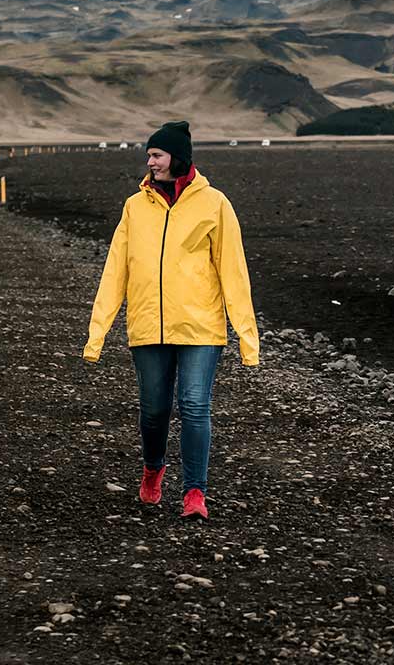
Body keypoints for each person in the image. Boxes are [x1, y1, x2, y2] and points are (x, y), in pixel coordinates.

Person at [83, 121, 258, 520]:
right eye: (149, 155)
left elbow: (233, 271)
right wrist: (98, 333)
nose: (150, 162)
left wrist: (247, 338)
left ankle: (195, 492)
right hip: (149, 324)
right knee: (154, 409)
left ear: (177, 157)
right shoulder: (135, 206)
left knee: (195, 405)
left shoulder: (215, 204)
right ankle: (153, 468)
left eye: (157, 155)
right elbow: (116, 270)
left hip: (200, 327)